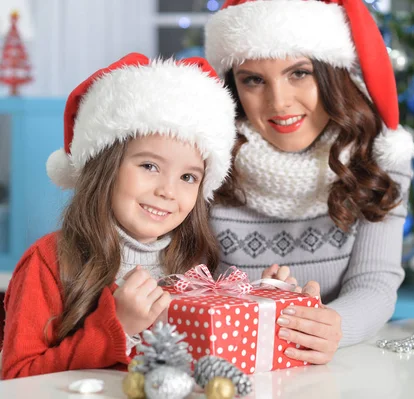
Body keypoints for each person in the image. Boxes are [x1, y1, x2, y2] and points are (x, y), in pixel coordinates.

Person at [1, 53, 238, 379]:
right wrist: (115, 327)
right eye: (149, 166)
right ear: (105, 168)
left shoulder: (191, 262)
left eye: (188, 177)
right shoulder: (49, 262)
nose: (168, 191)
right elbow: (18, 377)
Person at [204, 0, 414, 364]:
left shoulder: (378, 159)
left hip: (334, 370)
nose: (279, 102)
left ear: (332, 73)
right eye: (253, 80)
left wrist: (332, 324)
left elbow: (374, 284)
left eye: (299, 73)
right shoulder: (208, 159)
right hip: (227, 363)